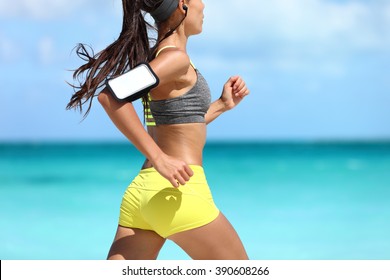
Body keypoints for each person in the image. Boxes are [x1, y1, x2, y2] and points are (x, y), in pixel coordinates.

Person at [67, 0, 250, 260]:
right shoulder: (175, 58)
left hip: (141, 197)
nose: (204, 5)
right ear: (183, 5)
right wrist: (160, 158)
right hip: (179, 191)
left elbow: (178, 124)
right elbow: (111, 97)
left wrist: (221, 105)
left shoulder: (161, 56)